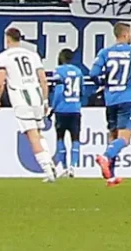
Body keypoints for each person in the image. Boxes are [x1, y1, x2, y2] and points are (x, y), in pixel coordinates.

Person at [89, 22, 131, 186]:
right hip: (127, 97)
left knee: (113, 135)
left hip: (110, 98)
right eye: (130, 34)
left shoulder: (105, 52)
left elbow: (93, 73)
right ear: (125, 34)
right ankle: (106, 157)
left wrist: (102, 83)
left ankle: (110, 176)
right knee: (125, 138)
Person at [0, 28, 55, 182]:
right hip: (37, 96)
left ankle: (48, 170)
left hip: (22, 98)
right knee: (38, 132)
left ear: (7, 39)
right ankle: (50, 164)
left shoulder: (3, 57)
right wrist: (45, 100)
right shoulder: (32, 54)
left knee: (32, 135)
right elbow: (43, 79)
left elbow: (0, 82)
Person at [51, 48, 83, 178]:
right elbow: (82, 90)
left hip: (61, 109)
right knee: (75, 138)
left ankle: (64, 167)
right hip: (75, 108)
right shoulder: (78, 72)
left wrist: (53, 107)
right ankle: (73, 167)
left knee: (60, 137)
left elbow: (58, 91)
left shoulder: (58, 71)